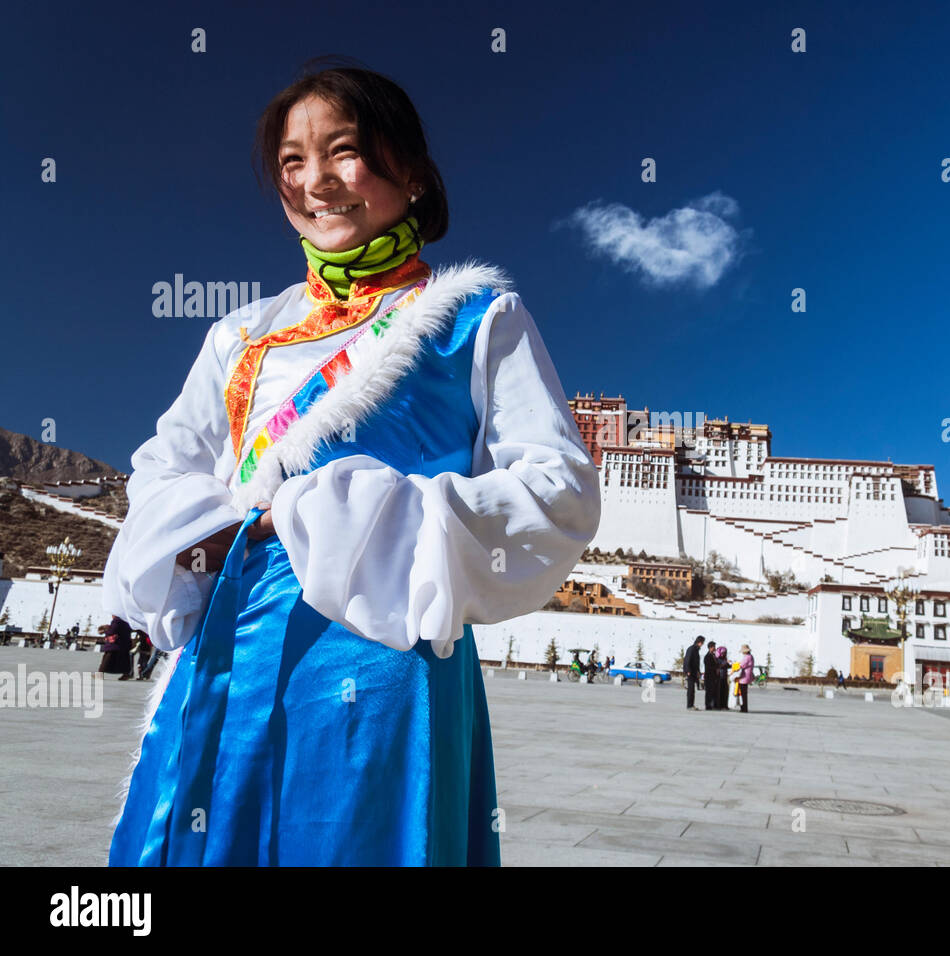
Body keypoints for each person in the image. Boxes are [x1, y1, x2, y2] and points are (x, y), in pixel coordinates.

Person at [102, 64, 601, 866]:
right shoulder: (241, 336)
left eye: (343, 152)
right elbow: (165, 467)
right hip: (226, 653)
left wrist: (366, 515)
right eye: (292, 162)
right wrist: (212, 530)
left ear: (411, 170)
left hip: (380, 665)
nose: (315, 181)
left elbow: (558, 492)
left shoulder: (478, 317)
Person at [683, 635, 705, 710]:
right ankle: (689, 705)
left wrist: (698, 671)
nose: (702, 644)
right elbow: (687, 660)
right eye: (702, 642)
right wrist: (688, 671)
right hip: (690, 672)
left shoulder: (696, 650)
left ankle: (692, 704)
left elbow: (696, 662)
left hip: (694, 672)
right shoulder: (691, 649)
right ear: (699, 642)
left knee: (693, 689)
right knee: (690, 689)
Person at [736, 644, 755, 713]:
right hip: (747, 676)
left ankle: (744, 708)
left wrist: (735, 666)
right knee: (744, 693)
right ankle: (744, 707)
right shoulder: (751, 656)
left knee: (743, 693)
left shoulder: (747, 657)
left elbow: (741, 665)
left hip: (744, 677)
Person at [702, 640, 719, 710]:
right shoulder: (707, 656)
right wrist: (716, 668)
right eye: (714, 647)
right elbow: (709, 667)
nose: (715, 648)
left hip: (714, 676)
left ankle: (713, 704)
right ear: (710, 647)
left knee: (713, 691)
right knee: (709, 691)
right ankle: (708, 705)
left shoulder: (714, 655)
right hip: (709, 676)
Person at [714, 645, 730, 710]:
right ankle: (719, 705)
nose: (724, 654)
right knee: (719, 692)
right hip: (719, 677)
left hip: (724, 677)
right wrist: (725, 663)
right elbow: (719, 666)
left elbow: (727, 666)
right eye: (723, 653)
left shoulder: (724, 659)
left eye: (725, 653)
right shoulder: (716, 659)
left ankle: (724, 705)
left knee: (725, 692)